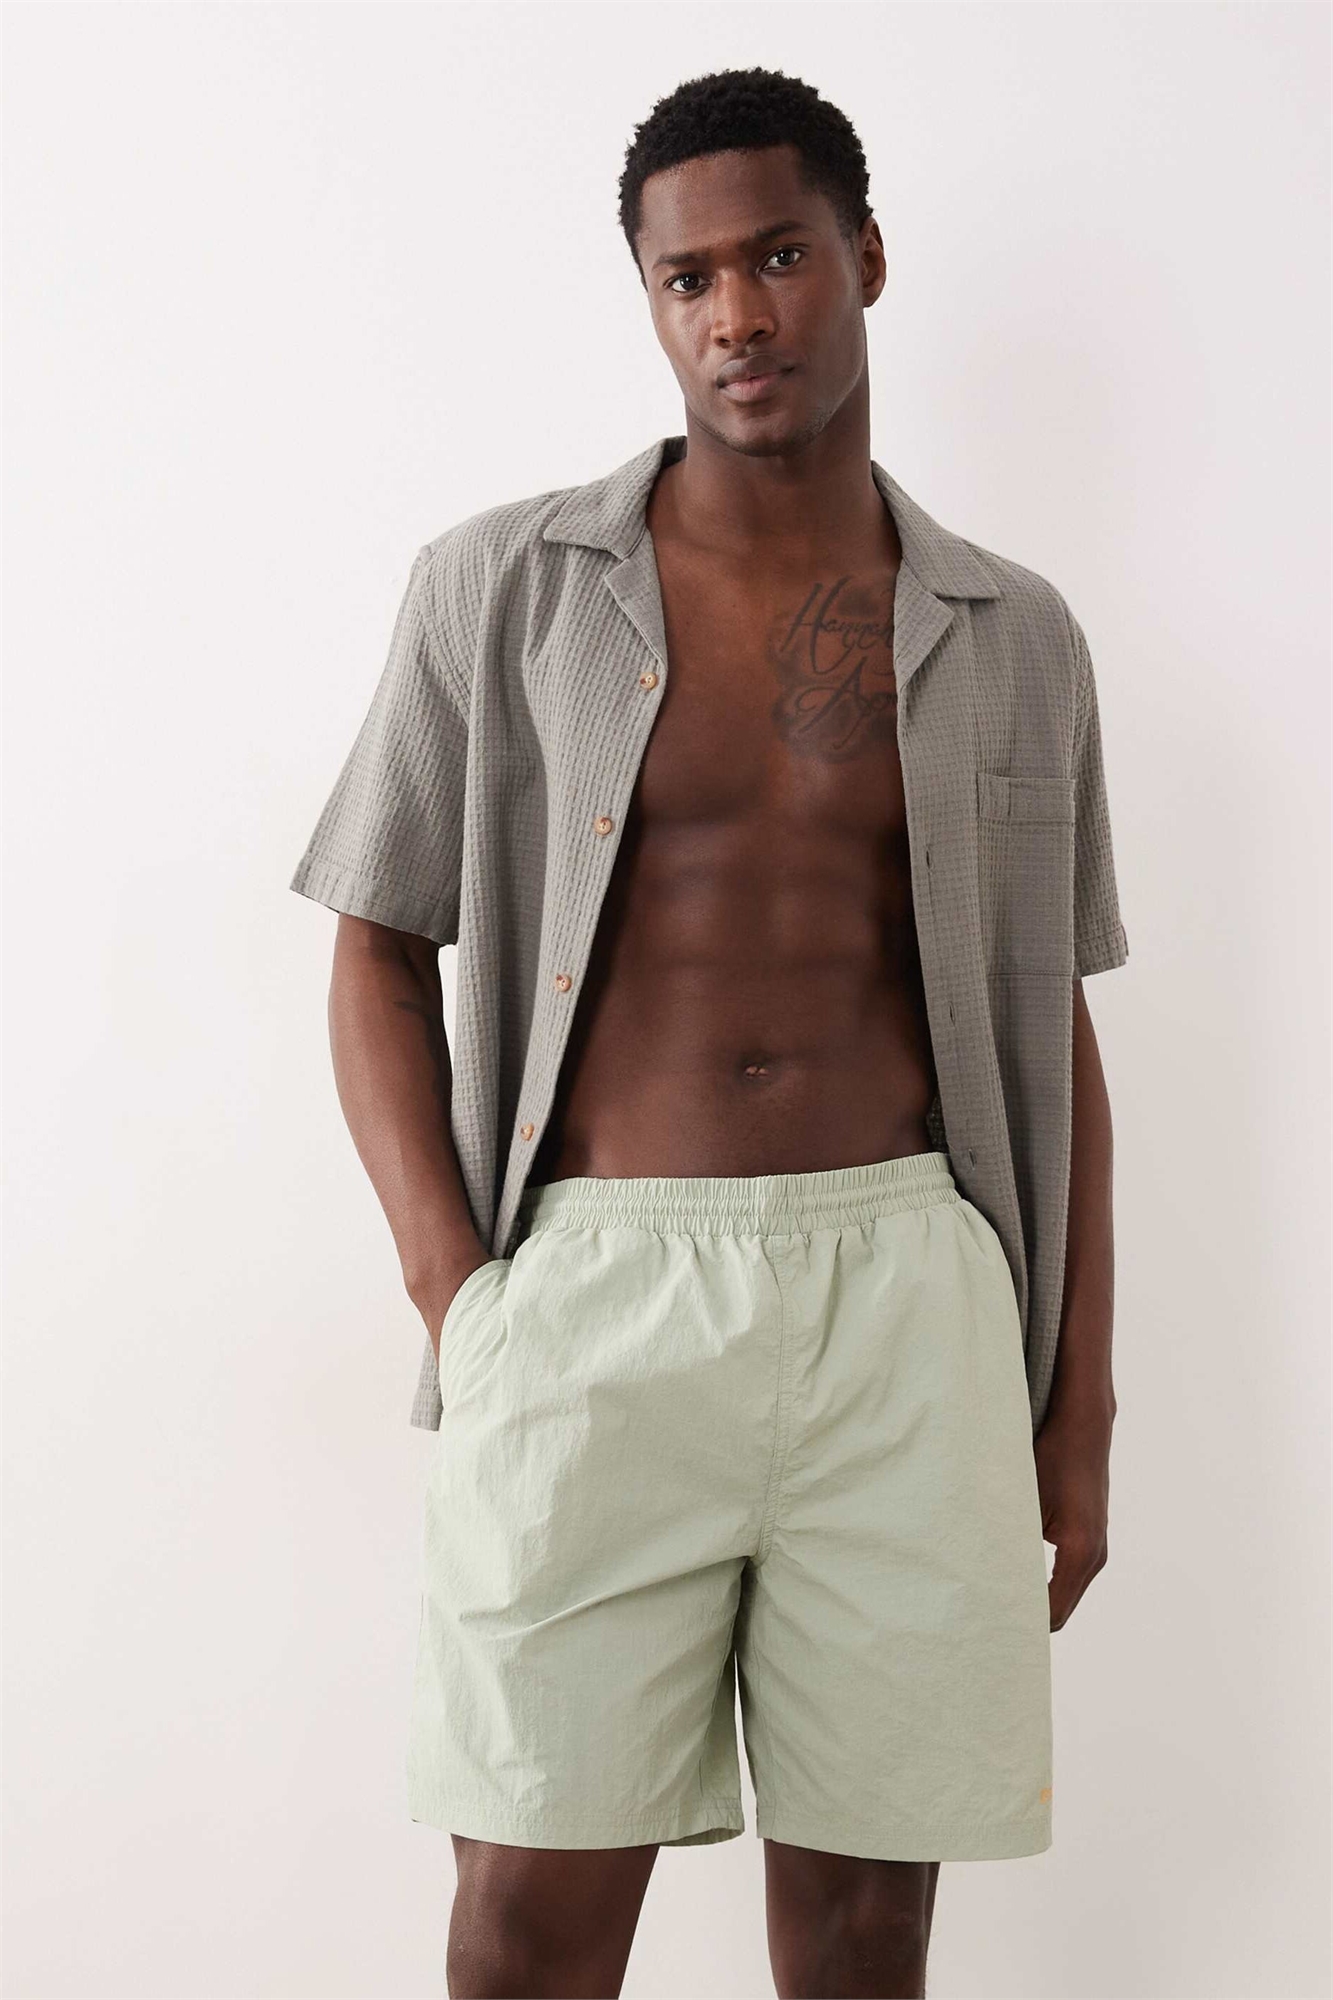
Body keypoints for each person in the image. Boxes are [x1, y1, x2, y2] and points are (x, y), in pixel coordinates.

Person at [289, 65, 1128, 2000]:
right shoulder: (502, 589)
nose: (736, 314)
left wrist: (1077, 1416)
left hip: (909, 1302)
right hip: (593, 1299)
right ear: (651, 302)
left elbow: (1054, 1034)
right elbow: (373, 949)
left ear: (865, 258)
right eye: (688, 280)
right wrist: (462, 1302)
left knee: (864, 1934)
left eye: (777, 259)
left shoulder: (1012, 631)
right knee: (524, 1921)